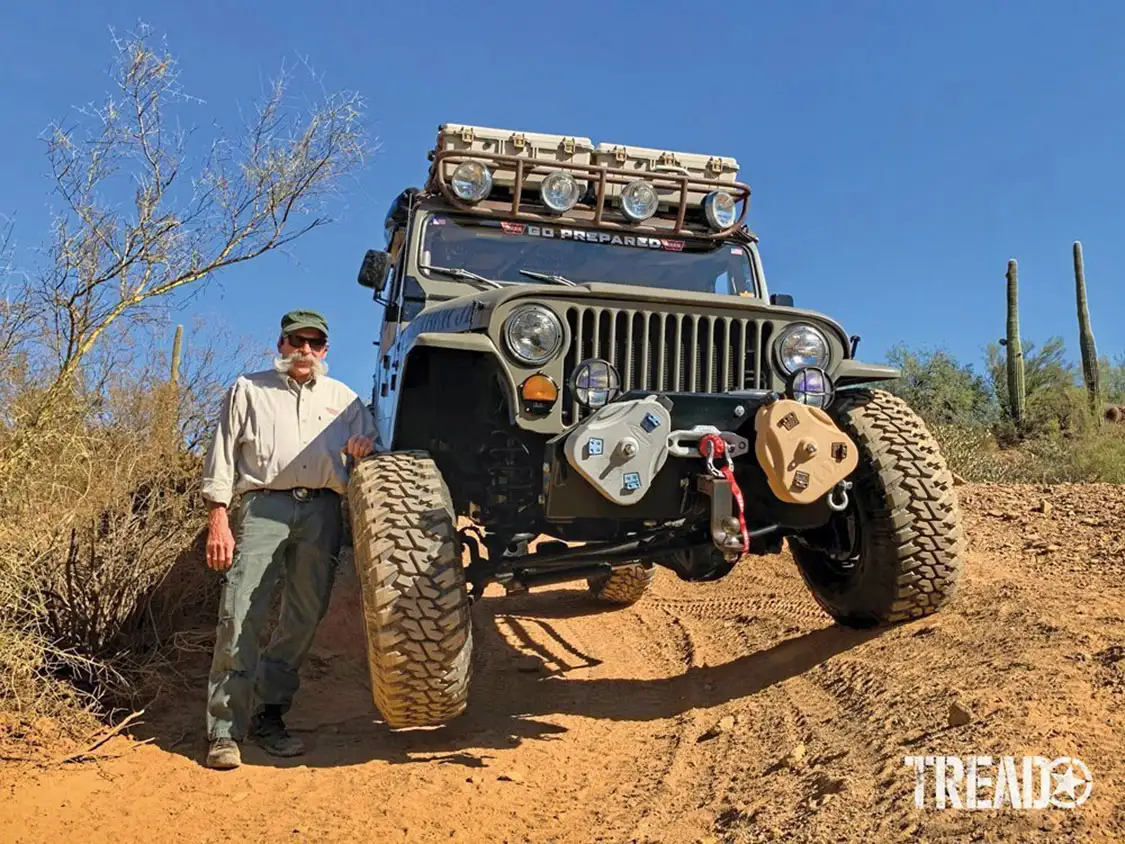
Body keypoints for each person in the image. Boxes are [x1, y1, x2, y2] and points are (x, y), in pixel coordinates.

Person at [200, 309, 377, 770]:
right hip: (264, 508)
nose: (305, 350)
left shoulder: (345, 399)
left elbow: (371, 451)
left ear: (325, 350)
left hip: (323, 511)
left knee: (304, 616)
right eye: (296, 341)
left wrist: (364, 449)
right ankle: (224, 730)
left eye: (314, 343)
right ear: (281, 345)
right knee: (240, 612)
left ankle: (269, 715)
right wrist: (218, 516)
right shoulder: (248, 389)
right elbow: (222, 453)